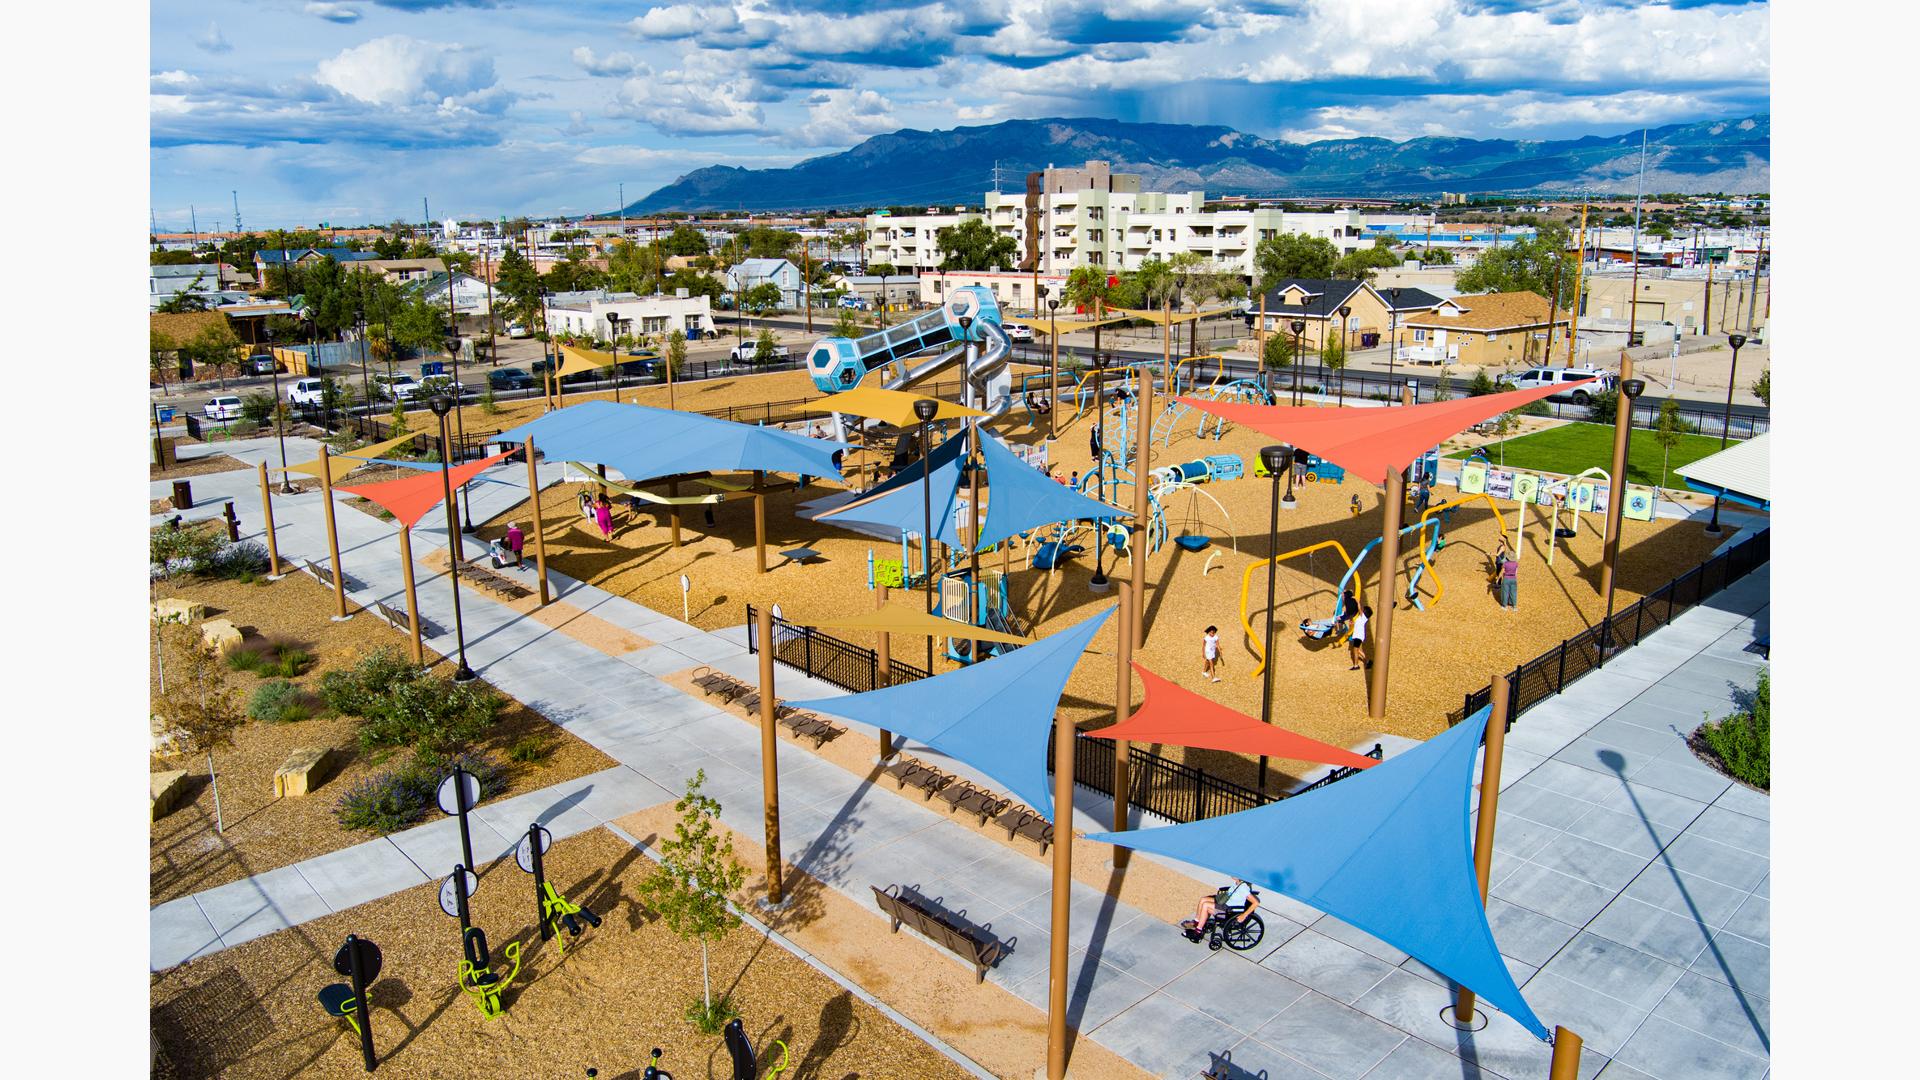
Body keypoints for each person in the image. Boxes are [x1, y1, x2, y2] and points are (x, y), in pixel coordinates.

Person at [1182, 878, 1258, 941]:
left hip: (1229, 911)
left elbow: (1256, 903)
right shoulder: (1238, 883)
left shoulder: (1243, 888)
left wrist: (1244, 915)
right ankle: (1196, 922)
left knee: (1206, 905)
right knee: (1203, 899)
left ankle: (1198, 932)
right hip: (1225, 903)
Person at [1348, 604, 1371, 671]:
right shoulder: (1360, 618)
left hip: (1358, 636)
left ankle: (1356, 665)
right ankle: (1367, 661)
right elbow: (1355, 625)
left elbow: (1359, 608)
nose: (1362, 610)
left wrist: (1357, 601)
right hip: (1357, 635)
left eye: (1363, 610)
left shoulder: (1363, 617)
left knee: (1355, 650)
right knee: (1357, 650)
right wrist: (1352, 624)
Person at [1496, 545, 1519, 610]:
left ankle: (1504, 606)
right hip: (1513, 578)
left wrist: (1498, 579)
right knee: (1513, 592)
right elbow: (1516, 572)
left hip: (1506, 578)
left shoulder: (1505, 564)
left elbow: (1501, 572)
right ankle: (1514, 606)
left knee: (1505, 592)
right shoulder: (1516, 564)